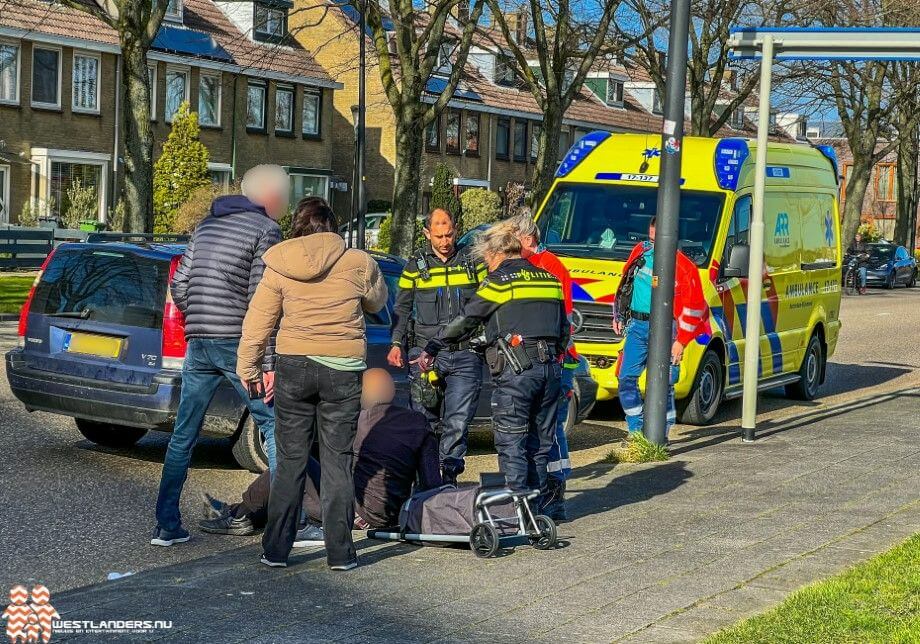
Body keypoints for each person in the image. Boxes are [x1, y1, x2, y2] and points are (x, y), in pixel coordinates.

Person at [237, 198, 388, 571]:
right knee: (338, 462)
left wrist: (249, 368)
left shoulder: (279, 263)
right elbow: (377, 301)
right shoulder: (356, 261)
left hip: (295, 368)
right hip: (342, 369)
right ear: (333, 226)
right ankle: (341, 554)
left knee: (291, 461)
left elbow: (258, 322)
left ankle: (275, 551)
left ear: (297, 227)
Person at [151, 164, 286, 547]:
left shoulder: (206, 227)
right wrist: (268, 361)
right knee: (272, 425)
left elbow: (179, 281)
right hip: (238, 342)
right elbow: (264, 299)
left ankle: (166, 525)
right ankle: (284, 525)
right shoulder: (266, 231)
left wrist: (197, 316)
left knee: (184, 433)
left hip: (200, 341)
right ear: (271, 197)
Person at [416, 216, 569, 494]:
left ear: (495, 253)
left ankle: (518, 509)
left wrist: (433, 346)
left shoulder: (499, 282)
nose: (486, 262)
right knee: (541, 443)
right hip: (550, 371)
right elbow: (565, 330)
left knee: (512, 441)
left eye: (486, 257)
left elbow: (467, 319)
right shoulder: (550, 280)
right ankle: (543, 507)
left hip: (517, 372)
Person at [199, 369, 441, 539]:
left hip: (350, 511)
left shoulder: (357, 422)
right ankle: (240, 511)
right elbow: (431, 483)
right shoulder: (418, 423)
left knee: (292, 464)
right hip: (386, 516)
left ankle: (240, 515)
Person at [388, 208, 486, 485]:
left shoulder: (472, 261)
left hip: (466, 354)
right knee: (423, 422)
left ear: (456, 230)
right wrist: (397, 343)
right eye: (439, 236)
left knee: (458, 423)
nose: (445, 241)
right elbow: (402, 309)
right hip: (424, 356)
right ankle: (426, 480)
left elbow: (487, 304)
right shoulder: (415, 265)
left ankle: (449, 479)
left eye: (450, 234)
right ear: (427, 233)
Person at [612, 217, 707, 439]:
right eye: (651, 238)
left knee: (665, 383)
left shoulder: (684, 268)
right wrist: (618, 313)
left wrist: (681, 341)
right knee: (626, 378)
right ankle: (636, 431)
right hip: (637, 325)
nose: (652, 244)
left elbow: (695, 308)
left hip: (668, 328)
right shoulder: (640, 251)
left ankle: (660, 436)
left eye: (658, 240)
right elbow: (625, 282)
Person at [514, 213, 577, 522]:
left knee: (550, 432)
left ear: (527, 240)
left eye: (515, 239)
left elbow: (559, 317)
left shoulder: (548, 266)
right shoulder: (537, 264)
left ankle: (554, 498)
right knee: (544, 431)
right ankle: (546, 496)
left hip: (555, 359)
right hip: (545, 358)